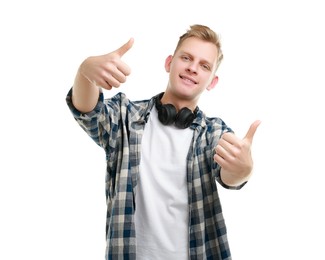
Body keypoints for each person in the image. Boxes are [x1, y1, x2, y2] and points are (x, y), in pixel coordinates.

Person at [66, 24, 261, 260]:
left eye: (204, 65)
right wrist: (85, 73)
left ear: (212, 81)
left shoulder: (213, 132)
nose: (192, 68)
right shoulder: (126, 116)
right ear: (169, 63)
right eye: (186, 58)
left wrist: (244, 170)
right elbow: (87, 111)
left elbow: (229, 176)